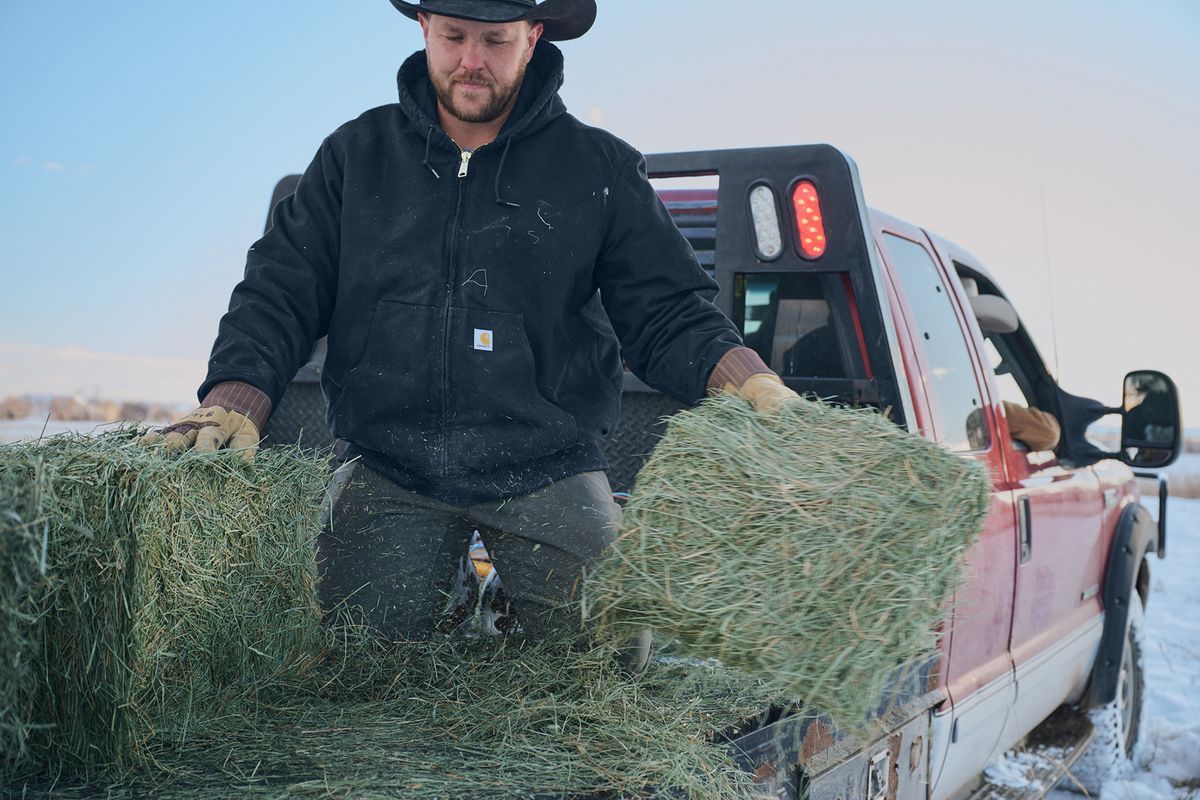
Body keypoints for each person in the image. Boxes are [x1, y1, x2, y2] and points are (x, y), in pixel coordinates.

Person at [143, 0, 795, 650]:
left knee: (611, 653)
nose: (471, 61)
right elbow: (281, 287)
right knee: (353, 657)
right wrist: (234, 394)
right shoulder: (355, 156)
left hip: (546, 461)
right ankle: (456, 598)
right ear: (425, 28)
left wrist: (742, 375)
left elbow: (666, 306)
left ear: (533, 37)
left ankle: (497, 603)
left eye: (496, 41)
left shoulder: (598, 169)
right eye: (454, 36)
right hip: (389, 458)